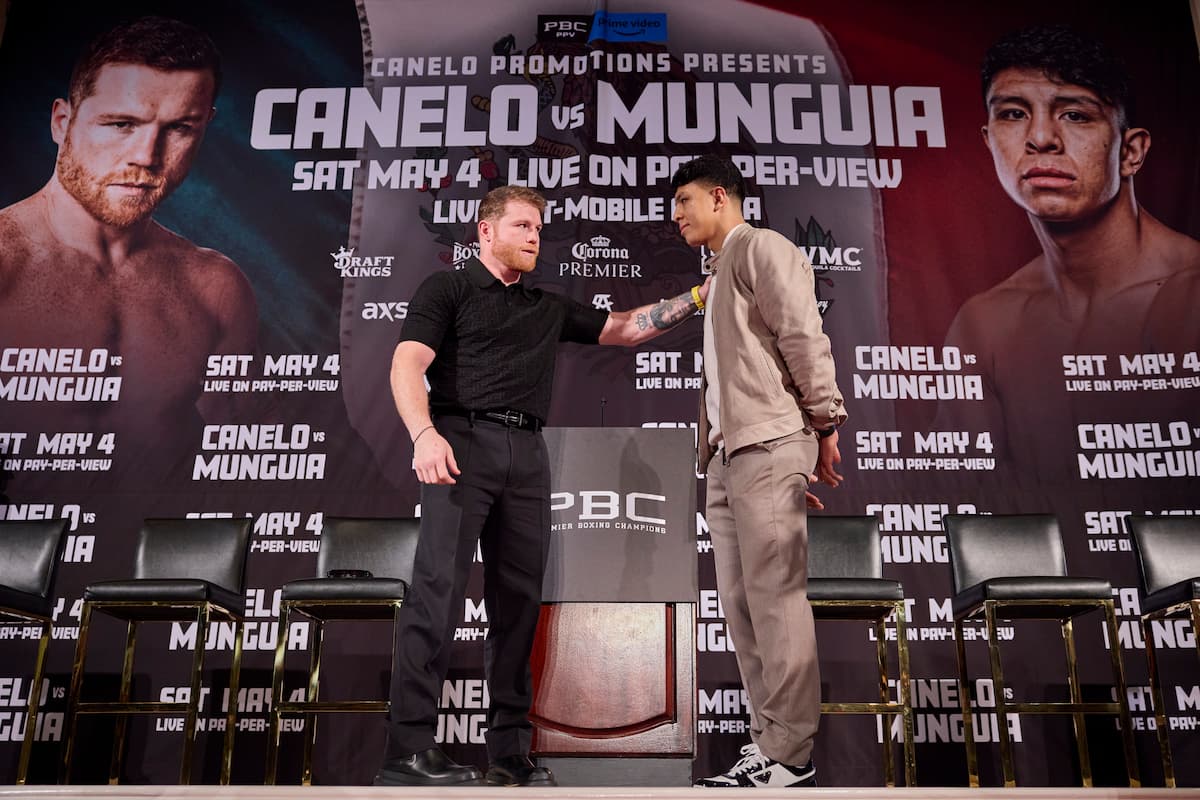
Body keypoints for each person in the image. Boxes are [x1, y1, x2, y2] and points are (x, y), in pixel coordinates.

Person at [379, 184, 710, 787]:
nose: (534, 238)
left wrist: (695, 296)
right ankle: (408, 751)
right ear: (486, 231)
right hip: (460, 442)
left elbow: (625, 329)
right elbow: (407, 364)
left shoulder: (545, 305)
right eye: (522, 227)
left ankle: (508, 753)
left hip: (528, 452)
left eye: (538, 230)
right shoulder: (448, 288)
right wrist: (424, 434)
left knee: (517, 605)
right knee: (437, 594)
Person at [939, 25, 1200, 482]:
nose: (1041, 138)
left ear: (1131, 151)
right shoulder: (985, 325)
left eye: (1076, 115)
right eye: (1015, 114)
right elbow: (976, 511)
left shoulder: (1192, 291)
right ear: (989, 143)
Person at [0, 17, 257, 476]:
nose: (147, 156)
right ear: (63, 122)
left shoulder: (214, 287)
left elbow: (240, 456)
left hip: (146, 546)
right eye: (121, 124)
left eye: (179, 128)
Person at [671, 155, 847, 788]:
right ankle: (768, 743)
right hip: (726, 455)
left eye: (685, 200)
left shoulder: (762, 248)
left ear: (721, 197)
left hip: (768, 444)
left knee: (776, 600)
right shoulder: (718, 274)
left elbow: (803, 336)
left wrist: (824, 426)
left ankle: (792, 755)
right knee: (743, 605)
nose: (676, 214)